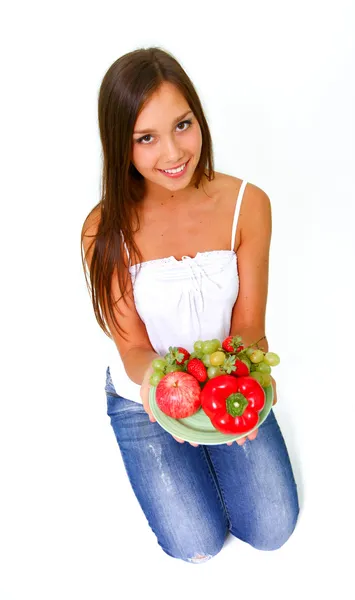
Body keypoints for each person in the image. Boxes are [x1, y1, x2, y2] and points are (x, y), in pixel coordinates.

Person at [81, 47, 299, 563]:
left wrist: (237, 404)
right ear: (121, 145)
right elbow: (133, 346)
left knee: (273, 531)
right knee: (195, 546)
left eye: (183, 125)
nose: (174, 152)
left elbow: (249, 329)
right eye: (146, 138)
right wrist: (166, 395)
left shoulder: (249, 204)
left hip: (226, 380)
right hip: (146, 394)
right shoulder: (102, 227)